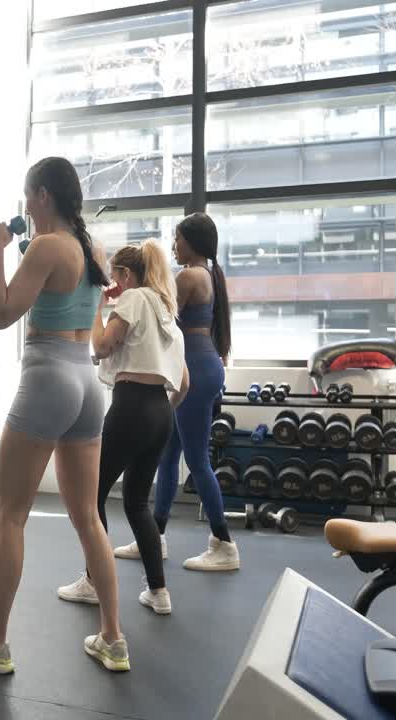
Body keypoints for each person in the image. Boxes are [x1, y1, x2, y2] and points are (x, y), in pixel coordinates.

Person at [0, 157, 128, 674]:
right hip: (86, 385)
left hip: (48, 378)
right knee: (88, 516)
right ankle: (113, 638)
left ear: (43, 195)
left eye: (28, 196)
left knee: (10, 514)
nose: (25, 206)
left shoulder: (49, 246)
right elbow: (88, 328)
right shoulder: (92, 249)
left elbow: (1, 315)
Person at [56, 242, 188, 616]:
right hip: (161, 411)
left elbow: (100, 347)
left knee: (91, 495)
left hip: (131, 406)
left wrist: (96, 306)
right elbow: (185, 381)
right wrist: (157, 412)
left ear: (126, 275)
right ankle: (158, 592)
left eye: (114, 276)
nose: (113, 283)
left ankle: (94, 583)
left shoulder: (134, 299)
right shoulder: (166, 310)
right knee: (136, 504)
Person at [153, 213, 241, 571]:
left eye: (177, 239)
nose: (173, 245)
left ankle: (224, 545)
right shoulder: (209, 275)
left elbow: (160, 317)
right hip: (198, 369)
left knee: (197, 460)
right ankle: (154, 536)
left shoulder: (190, 275)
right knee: (168, 455)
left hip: (196, 372)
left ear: (192, 242)